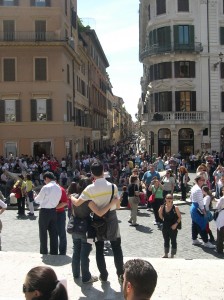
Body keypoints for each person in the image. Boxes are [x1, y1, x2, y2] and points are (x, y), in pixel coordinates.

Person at [71, 160, 124, 284]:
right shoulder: (113, 186)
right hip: (111, 218)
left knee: (99, 249)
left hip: (97, 220)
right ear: (103, 170)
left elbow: (78, 203)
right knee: (116, 248)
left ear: (92, 173)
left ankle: (104, 275)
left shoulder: (90, 188)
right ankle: (120, 275)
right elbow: (118, 206)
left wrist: (71, 197)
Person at [35, 171, 62, 255]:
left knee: (43, 232)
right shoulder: (58, 187)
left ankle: (44, 251)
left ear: (46, 178)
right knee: (53, 232)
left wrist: (35, 197)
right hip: (54, 211)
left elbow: (38, 200)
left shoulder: (46, 187)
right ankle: (54, 252)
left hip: (44, 211)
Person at [190, 174, 215, 249]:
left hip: (193, 207)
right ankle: (206, 242)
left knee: (194, 224)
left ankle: (194, 239)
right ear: (198, 181)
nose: (204, 181)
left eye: (204, 180)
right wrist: (204, 211)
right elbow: (201, 202)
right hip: (198, 207)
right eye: (202, 180)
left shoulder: (194, 187)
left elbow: (191, 198)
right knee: (202, 224)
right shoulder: (198, 190)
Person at [158, 194, 181, 258]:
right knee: (166, 240)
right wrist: (160, 212)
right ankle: (166, 254)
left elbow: (179, 217)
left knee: (173, 240)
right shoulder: (163, 207)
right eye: (168, 198)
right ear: (165, 199)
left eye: (171, 198)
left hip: (173, 226)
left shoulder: (175, 208)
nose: (169, 199)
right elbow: (161, 218)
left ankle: (172, 255)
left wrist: (175, 224)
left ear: (172, 199)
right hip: (165, 226)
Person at [56, 184, 68, 255]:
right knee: (53, 233)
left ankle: (62, 251)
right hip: (52, 213)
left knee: (61, 233)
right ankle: (53, 250)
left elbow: (65, 202)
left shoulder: (61, 190)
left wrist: (54, 207)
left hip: (60, 213)